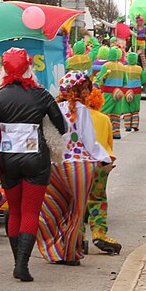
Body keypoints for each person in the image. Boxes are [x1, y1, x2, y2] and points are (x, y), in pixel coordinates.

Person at [0, 48, 67, 282]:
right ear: (29, 67)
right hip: (36, 159)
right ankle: (22, 264)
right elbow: (63, 126)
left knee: (15, 211)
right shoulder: (42, 95)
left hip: (7, 160)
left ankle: (17, 260)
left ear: (4, 69)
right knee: (30, 211)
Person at [37, 71, 110, 265]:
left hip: (56, 165)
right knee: (77, 212)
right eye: (85, 88)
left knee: (58, 209)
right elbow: (89, 141)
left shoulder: (53, 107)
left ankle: (55, 250)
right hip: (80, 166)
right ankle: (71, 252)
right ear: (76, 89)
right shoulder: (82, 109)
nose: (88, 92)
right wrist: (103, 158)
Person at [94, 47, 127, 139]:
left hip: (108, 93)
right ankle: (116, 133)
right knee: (116, 114)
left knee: (104, 112)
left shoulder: (106, 66)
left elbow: (100, 78)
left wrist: (98, 84)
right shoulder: (122, 67)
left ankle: (103, 132)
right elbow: (125, 81)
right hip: (119, 93)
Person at [122, 52, 142, 132]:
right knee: (135, 108)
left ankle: (127, 126)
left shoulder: (123, 68)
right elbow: (143, 79)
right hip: (136, 90)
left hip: (125, 90)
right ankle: (135, 124)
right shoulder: (139, 69)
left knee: (126, 108)